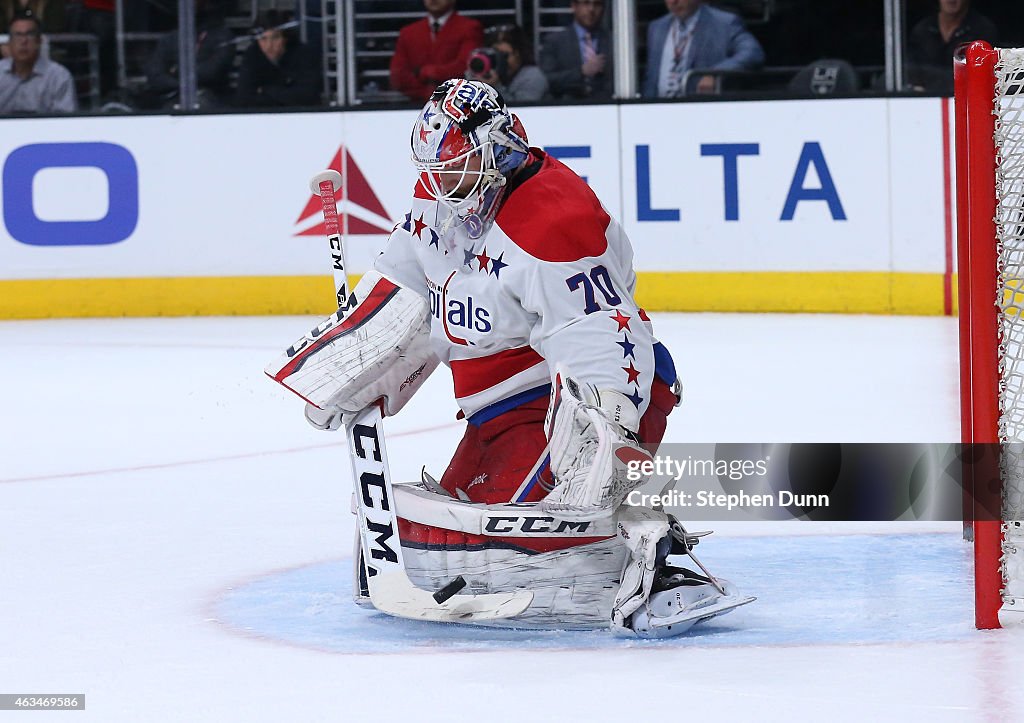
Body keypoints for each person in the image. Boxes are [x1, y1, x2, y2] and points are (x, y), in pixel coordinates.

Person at [268, 79, 749, 637]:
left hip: (569, 403)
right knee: (437, 535)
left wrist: (609, 434)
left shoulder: (551, 221)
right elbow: (406, 288)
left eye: (457, 168)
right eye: (435, 170)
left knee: (525, 546)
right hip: (499, 412)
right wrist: (353, 366)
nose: (441, 184)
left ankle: (653, 559)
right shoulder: (443, 195)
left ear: (497, 148)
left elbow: (600, 340)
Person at [642, 0, 764, 98]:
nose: (673, 1)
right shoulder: (656, 27)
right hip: (659, 113)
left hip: (701, 112)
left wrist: (715, 74)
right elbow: (652, 79)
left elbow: (752, 52)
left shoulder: (724, 23)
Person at [141, 0, 234, 109]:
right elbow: (154, 73)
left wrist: (175, 72)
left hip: (212, 97)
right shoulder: (170, 38)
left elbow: (213, 71)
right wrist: (180, 84)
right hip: (171, 96)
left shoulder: (222, 36)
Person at [389, 0, 482, 104]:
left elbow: (465, 67)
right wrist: (429, 94)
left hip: (458, 105)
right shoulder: (408, 33)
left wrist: (427, 72)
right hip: (414, 106)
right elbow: (399, 75)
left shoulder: (469, 28)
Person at [907, 0, 997, 94]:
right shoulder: (922, 30)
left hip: (968, 98)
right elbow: (913, 73)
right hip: (924, 99)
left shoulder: (983, 30)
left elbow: (983, 76)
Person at [235, 10, 320, 108]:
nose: (269, 46)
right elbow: (243, 98)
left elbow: (307, 95)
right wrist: (282, 95)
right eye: (263, 39)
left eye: (275, 38)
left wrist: (265, 90)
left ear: (286, 38)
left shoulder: (303, 54)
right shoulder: (252, 55)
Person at [0, 11, 75, 112]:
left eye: (29, 35)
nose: (23, 41)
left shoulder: (59, 76)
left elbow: (66, 121)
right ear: (9, 42)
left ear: (39, 41)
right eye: (18, 35)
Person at [539, 0, 613, 101]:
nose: (591, 9)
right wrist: (581, 72)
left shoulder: (614, 41)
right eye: (586, 3)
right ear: (574, 6)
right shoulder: (555, 41)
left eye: (597, 4)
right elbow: (546, 80)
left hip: (607, 107)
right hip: (566, 107)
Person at [466, 24, 547, 102]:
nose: (500, 60)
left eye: (504, 55)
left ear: (518, 54)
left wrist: (494, 87)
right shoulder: (485, 74)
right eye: (495, 54)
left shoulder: (532, 76)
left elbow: (522, 110)